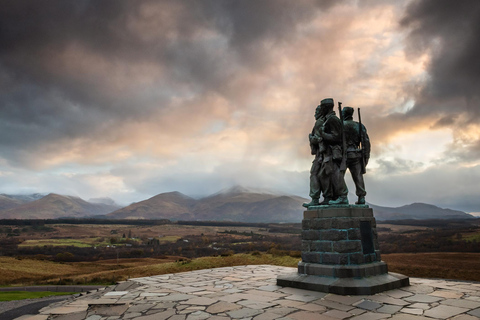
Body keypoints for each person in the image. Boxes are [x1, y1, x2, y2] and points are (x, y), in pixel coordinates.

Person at [319, 98, 348, 205]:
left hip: (333, 152)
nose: (321, 110)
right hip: (327, 152)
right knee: (323, 175)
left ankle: (343, 196)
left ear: (326, 108)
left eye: (322, 107)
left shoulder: (333, 120)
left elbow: (337, 137)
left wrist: (323, 134)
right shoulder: (327, 119)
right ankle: (328, 197)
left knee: (336, 175)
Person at [342, 107, 370, 204]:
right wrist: (366, 156)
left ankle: (342, 196)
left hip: (344, 155)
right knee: (358, 177)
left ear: (344, 114)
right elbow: (366, 142)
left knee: (339, 177)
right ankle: (361, 197)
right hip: (356, 154)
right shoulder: (359, 126)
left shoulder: (341, 125)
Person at [303, 105, 326, 208]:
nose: (314, 114)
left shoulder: (319, 122)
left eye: (316, 111)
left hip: (322, 155)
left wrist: (311, 138)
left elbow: (319, 138)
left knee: (314, 174)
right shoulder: (325, 121)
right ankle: (322, 198)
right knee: (322, 175)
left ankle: (315, 198)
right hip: (324, 155)